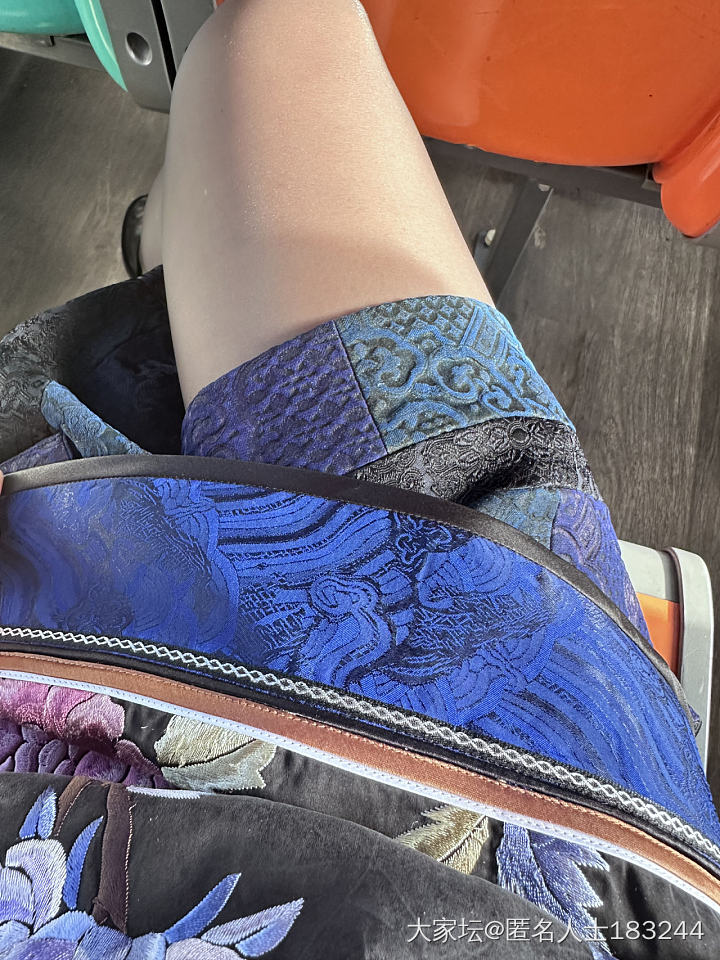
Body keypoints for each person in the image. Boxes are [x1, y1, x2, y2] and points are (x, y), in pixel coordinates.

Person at [0, 1, 717, 957]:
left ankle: (171, 254)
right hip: (479, 726)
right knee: (278, 35)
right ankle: (173, 255)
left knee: (273, 37)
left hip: (485, 752)